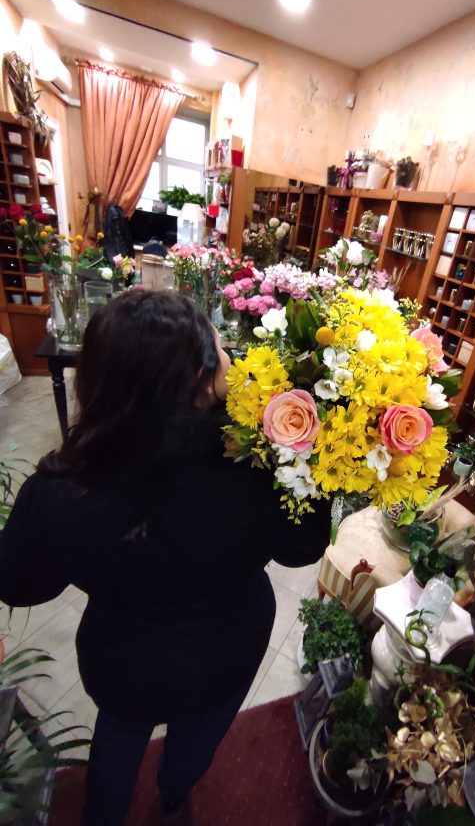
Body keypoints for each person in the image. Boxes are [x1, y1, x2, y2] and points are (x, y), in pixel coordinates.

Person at [0, 292, 331, 825]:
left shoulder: (63, 489)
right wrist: (313, 463)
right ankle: (174, 803)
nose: (232, 358)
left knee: (119, 736)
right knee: (194, 743)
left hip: (125, 660)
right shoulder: (263, 468)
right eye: (222, 349)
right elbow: (302, 550)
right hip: (226, 648)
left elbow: (19, 583)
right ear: (202, 381)